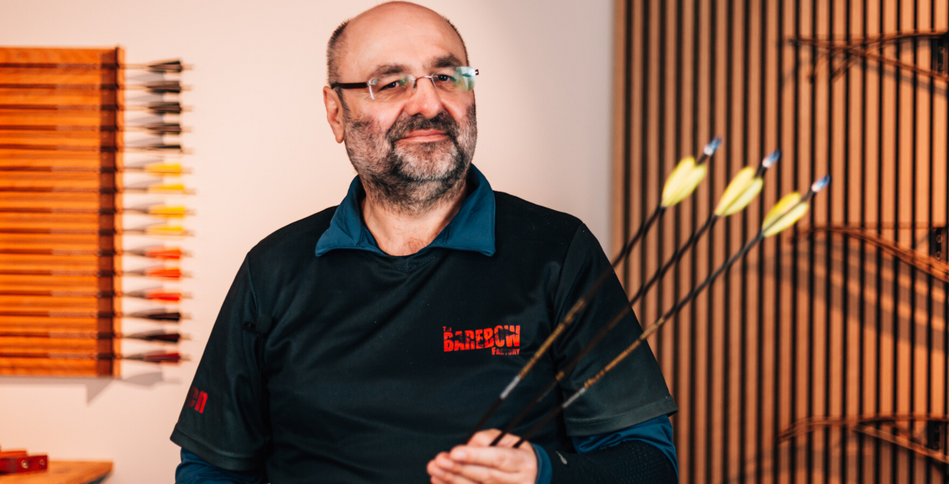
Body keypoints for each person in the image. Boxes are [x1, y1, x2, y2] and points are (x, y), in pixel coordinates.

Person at [170, 3, 678, 483]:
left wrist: (545, 474)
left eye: (447, 77)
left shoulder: (558, 252)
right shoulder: (272, 270)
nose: (430, 103)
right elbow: (212, 470)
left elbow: (649, 462)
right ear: (335, 112)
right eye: (391, 83)